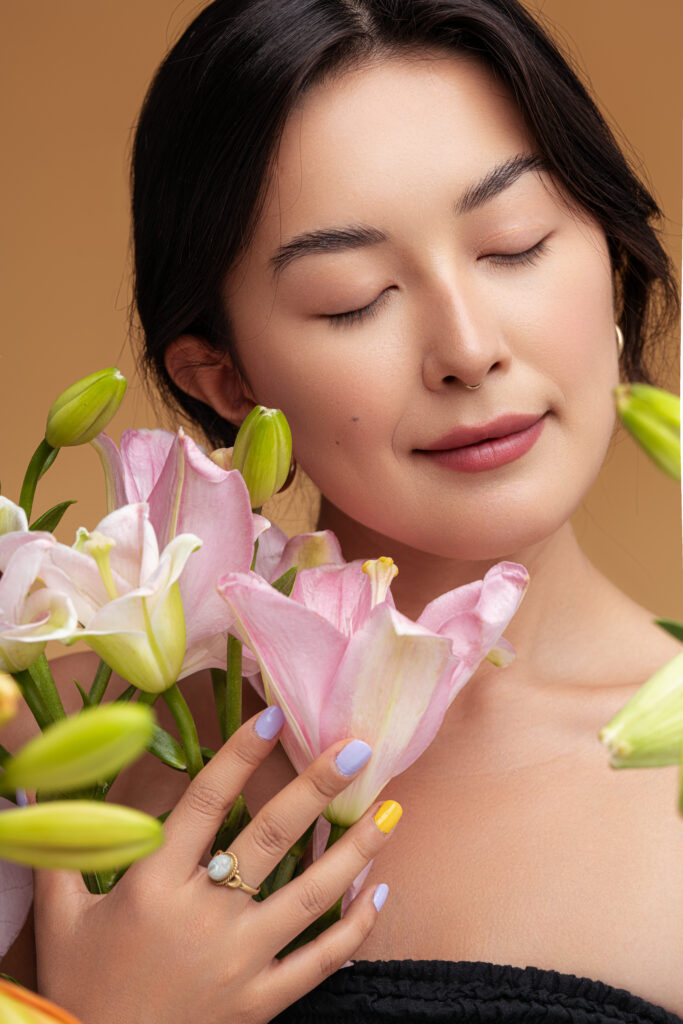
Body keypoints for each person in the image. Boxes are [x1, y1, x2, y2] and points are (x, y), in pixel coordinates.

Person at [4, 0, 682, 1020]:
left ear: (610, 253)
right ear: (225, 378)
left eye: (512, 243)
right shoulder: (62, 751)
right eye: (352, 296)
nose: (466, 346)